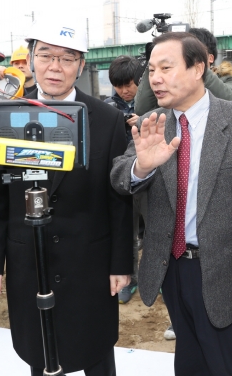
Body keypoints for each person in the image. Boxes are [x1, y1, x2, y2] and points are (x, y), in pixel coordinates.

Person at [111, 31, 232, 376]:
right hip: (172, 267)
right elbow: (120, 178)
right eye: (151, 71)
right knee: (189, 361)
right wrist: (142, 166)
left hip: (229, 271)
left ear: (198, 68)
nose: (155, 78)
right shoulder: (153, 123)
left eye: (166, 68)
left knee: (226, 364)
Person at [0, 19, 132, 376]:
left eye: (66, 58)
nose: (54, 66)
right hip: (27, 259)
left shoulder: (107, 120)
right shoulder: (5, 117)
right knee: (40, 350)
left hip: (89, 260)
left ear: (80, 65)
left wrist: (121, 263)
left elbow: (118, 200)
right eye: (45, 55)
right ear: (31, 60)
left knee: (95, 348)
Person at [104, 55, 145, 304]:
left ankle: (156, 277)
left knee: (153, 231)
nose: (125, 91)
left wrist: (143, 120)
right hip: (121, 178)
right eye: (119, 86)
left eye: (129, 84)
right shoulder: (108, 107)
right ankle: (130, 278)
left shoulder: (152, 103)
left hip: (151, 176)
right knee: (126, 231)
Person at [134, 27, 232, 116]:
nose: (156, 79)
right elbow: (141, 108)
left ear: (210, 58)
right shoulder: (169, 94)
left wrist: (197, 68)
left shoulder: (226, 79)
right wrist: (155, 62)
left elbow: (230, 100)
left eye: (166, 67)